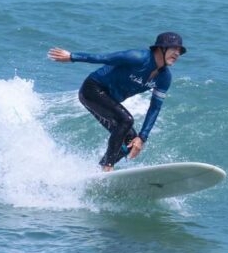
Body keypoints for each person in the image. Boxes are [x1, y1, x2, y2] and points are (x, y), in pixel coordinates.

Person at [47, 32, 186, 172]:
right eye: (173, 48)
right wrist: (72, 57)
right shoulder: (137, 57)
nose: (177, 53)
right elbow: (103, 58)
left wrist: (142, 138)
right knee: (126, 120)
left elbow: (155, 108)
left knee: (130, 142)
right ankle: (108, 167)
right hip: (92, 89)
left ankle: (98, 171)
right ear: (160, 48)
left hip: (109, 99)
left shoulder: (164, 78)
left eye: (179, 51)